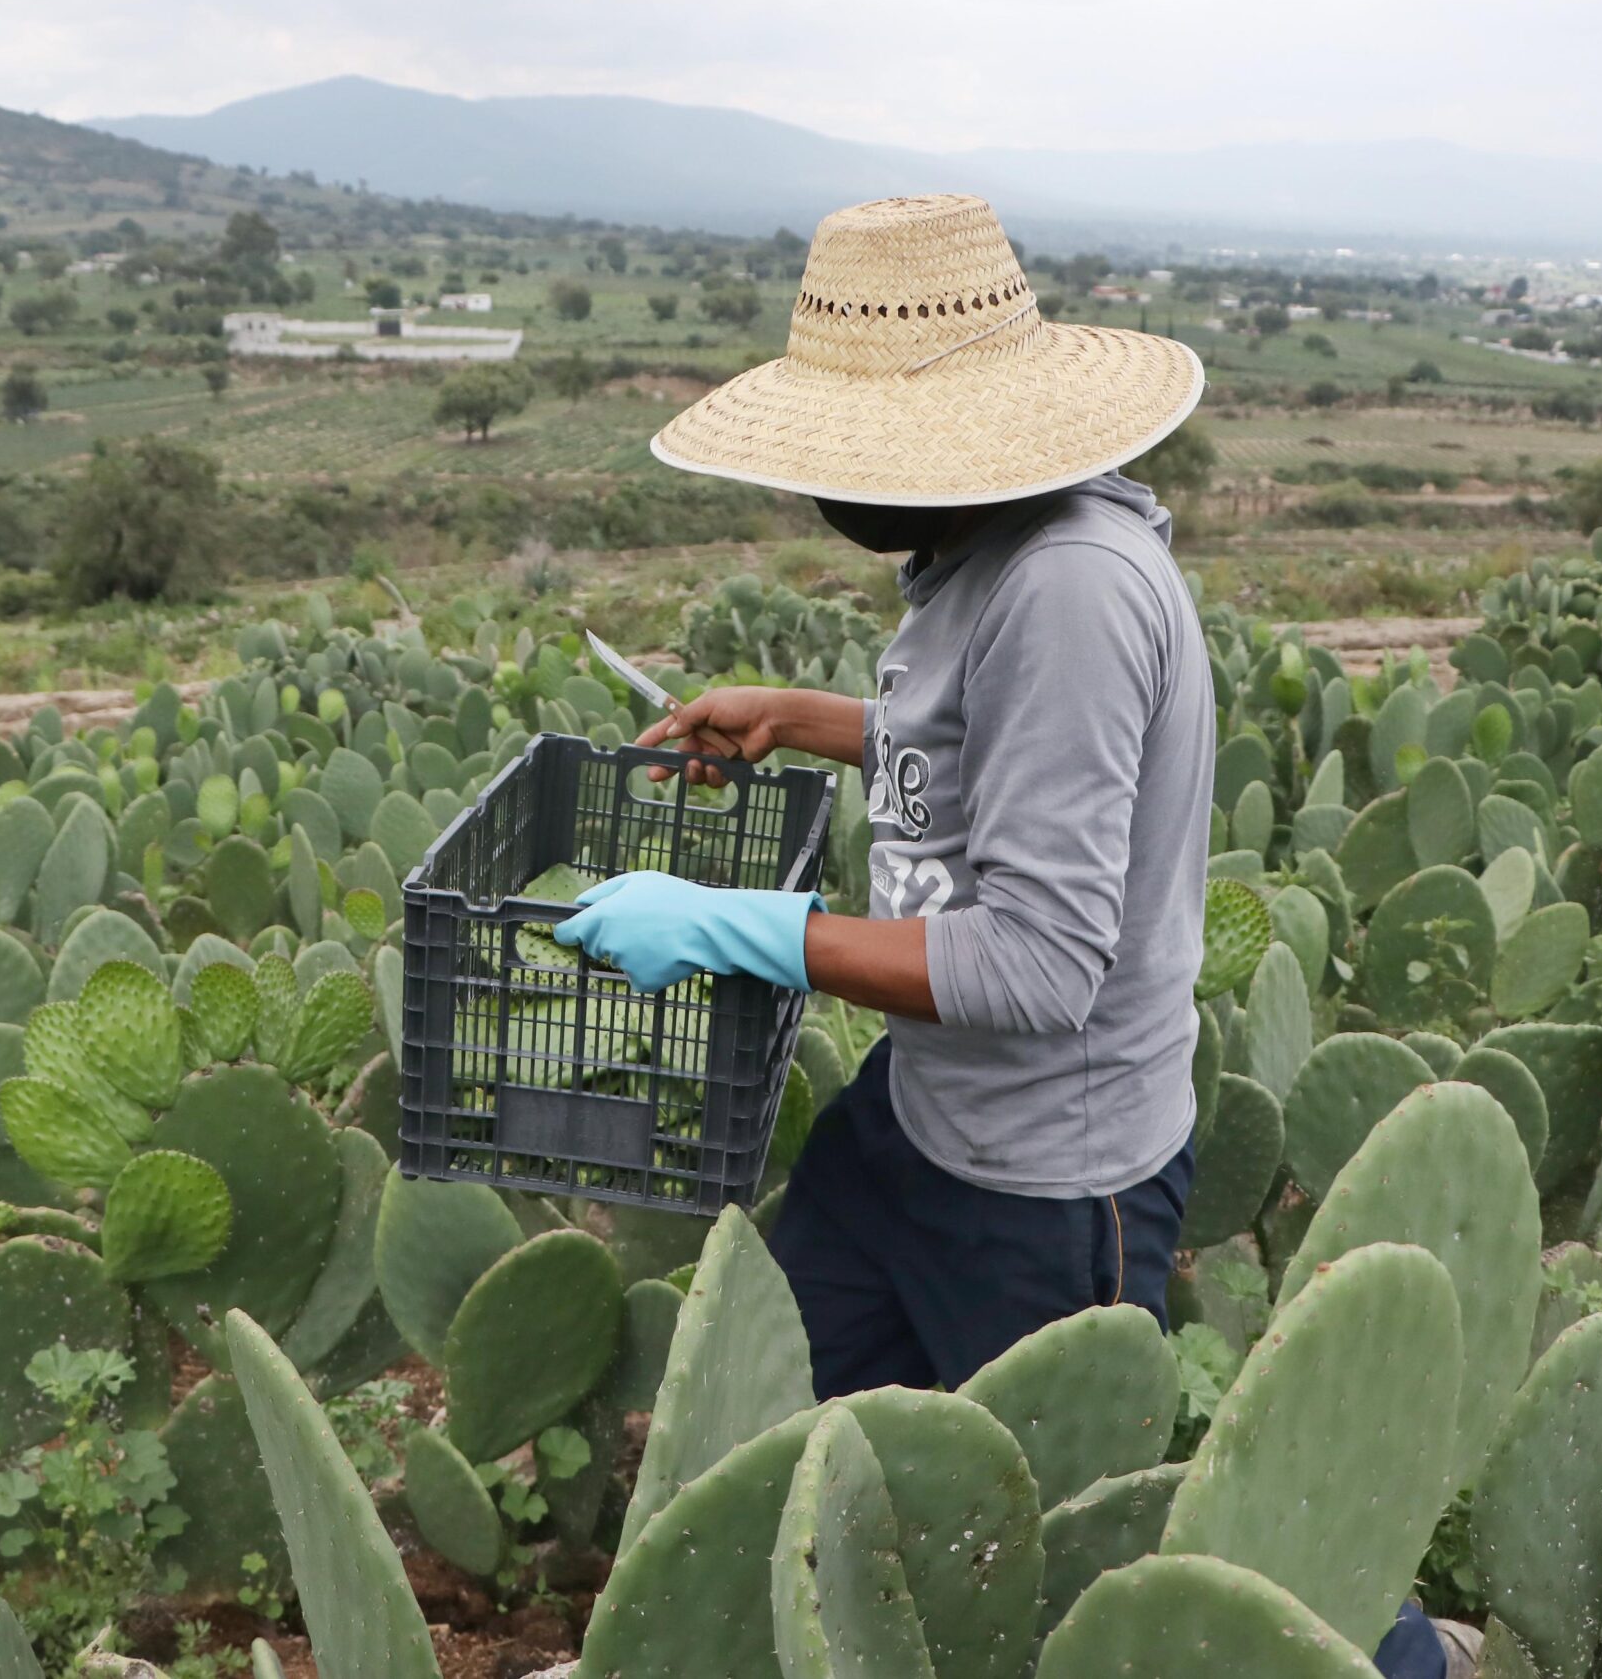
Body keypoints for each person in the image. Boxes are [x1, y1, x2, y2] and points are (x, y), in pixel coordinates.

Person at [552, 195, 1471, 1679]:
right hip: (919, 1126)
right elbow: (995, 755)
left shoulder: (1070, 591)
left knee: (1079, 1551)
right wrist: (809, 721)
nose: (818, 497)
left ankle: (1390, 1654)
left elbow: (1036, 969)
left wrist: (742, 930)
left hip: (1048, 1179)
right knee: (791, 1429)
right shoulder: (988, 547)